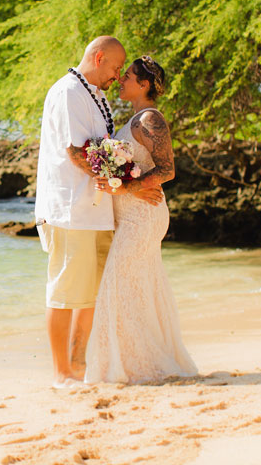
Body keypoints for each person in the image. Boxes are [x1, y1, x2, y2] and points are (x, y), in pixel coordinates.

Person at [35, 37, 164, 387]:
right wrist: (125, 182)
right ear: (99, 57)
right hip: (69, 210)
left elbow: (101, 150)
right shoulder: (68, 93)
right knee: (63, 293)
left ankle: (80, 369)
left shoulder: (98, 96)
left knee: (91, 295)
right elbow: (77, 153)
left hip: (100, 213)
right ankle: (62, 375)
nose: (117, 75)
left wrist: (125, 183)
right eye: (114, 68)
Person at [84, 55, 198, 384]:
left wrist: (126, 189)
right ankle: (136, 363)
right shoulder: (134, 119)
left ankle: (135, 366)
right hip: (132, 215)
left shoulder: (151, 119)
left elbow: (167, 170)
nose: (121, 80)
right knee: (135, 289)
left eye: (129, 76)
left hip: (143, 216)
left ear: (144, 84)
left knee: (119, 288)